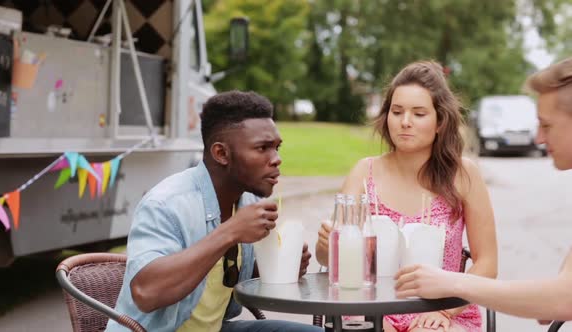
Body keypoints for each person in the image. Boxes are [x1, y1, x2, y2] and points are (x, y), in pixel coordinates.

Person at [106, 90, 321, 332]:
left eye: (277, 148)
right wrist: (230, 232)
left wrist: (282, 264)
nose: (276, 159)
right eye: (263, 148)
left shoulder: (247, 200)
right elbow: (146, 292)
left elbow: (227, 276)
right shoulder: (166, 203)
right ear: (221, 153)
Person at [316, 61, 498, 332]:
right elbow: (327, 259)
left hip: (443, 312)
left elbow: (487, 263)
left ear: (440, 122)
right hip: (372, 313)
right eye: (397, 111)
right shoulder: (363, 172)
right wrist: (327, 246)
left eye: (419, 113)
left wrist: (448, 311)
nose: (405, 122)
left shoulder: (463, 174)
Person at [395, 57, 572, 323]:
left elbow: (563, 300)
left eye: (546, 125)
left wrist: (452, 283)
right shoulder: (367, 170)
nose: (538, 138)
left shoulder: (465, 175)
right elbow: (554, 304)